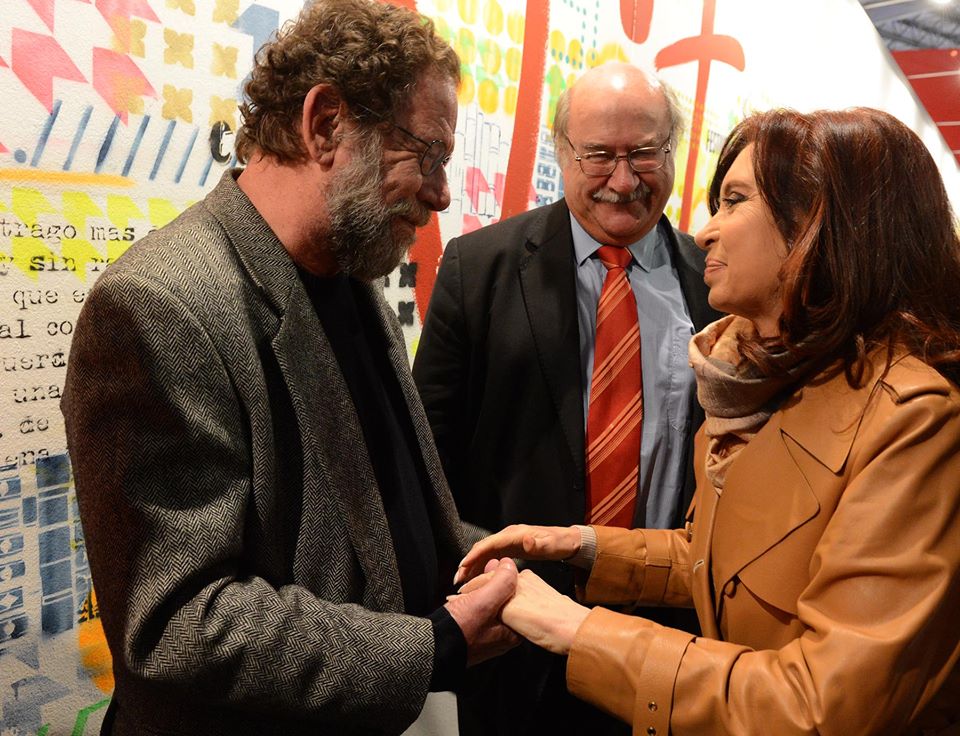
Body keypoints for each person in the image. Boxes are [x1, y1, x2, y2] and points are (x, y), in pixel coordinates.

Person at [60, 2, 519, 734]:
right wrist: (433, 649)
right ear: (327, 123)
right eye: (428, 155)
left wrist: (478, 557)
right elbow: (177, 623)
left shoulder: (353, 288)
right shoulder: (159, 303)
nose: (441, 193)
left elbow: (374, 520)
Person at [457, 107, 960, 734]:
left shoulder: (916, 420)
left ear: (823, 224)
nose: (704, 232)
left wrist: (580, 629)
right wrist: (582, 546)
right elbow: (724, 555)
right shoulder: (768, 381)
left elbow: (822, 706)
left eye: (734, 202)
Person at [412, 62, 720, 734]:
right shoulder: (479, 269)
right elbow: (425, 462)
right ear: (561, 150)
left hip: (668, 648)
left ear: (672, 150)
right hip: (514, 639)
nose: (624, 180)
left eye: (644, 153)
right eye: (600, 155)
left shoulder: (717, 288)